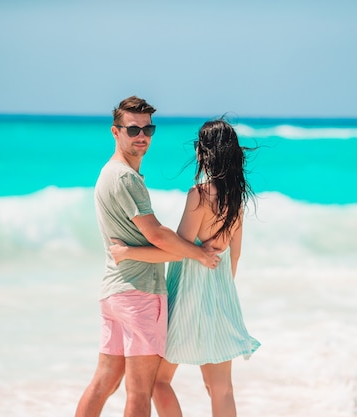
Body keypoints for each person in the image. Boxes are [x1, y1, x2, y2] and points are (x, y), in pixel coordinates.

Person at [74, 96, 221, 417]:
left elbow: (145, 240)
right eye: (133, 129)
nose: (141, 136)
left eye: (148, 129)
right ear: (116, 132)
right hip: (139, 295)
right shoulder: (125, 177)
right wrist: (198, 253)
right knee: (139, 391)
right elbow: (156, 233)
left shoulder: (110, 173)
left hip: (114, 292)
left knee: (103, 382)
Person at [110, 118, 261, 417]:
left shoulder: (200, 195)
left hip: (187, 296)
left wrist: (128, 252)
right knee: (221, 389)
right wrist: (221, 298)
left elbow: (178, 249)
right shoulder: (236, 200)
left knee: (157, 381)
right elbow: (236, 255)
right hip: (221, 295)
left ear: (205, 153)